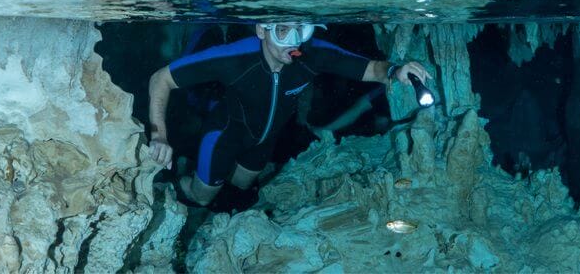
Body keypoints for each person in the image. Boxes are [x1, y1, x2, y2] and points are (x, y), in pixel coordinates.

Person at [145, 23, 431, 206]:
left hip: (265, 139)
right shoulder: (233, 58)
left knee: (242, 185)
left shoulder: (312, 54)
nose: (294, 42)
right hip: (225, 133)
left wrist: (395, 70)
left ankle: (215, 203)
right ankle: (174, 184)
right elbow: (161, 78)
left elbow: (370, 69)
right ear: (262, 30)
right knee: (203, 196)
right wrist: (159, 135)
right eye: (283, 31)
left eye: (302, 30)